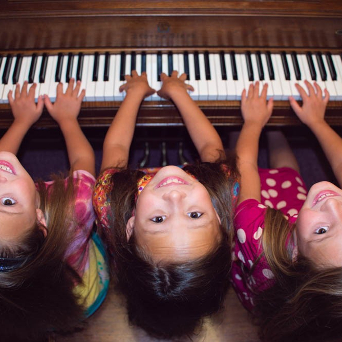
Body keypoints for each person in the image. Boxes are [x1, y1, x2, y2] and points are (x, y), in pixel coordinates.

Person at [93, 70, 239, 339]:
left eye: (158, 220)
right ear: (219, 218)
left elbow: (115, 147)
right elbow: (210, 146)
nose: (174, 197)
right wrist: (178, 92)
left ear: (130, 226)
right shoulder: (222, 189)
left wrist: (135, 93)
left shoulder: (110, 202)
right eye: (195, 215)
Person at [231, 80, 342, 342]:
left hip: (261, 241)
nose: (333, 204)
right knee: (288, 177)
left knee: (241, 151)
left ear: (295, 255)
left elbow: (244, 165)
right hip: (295, 219)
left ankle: (240, 131)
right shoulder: (318, 232)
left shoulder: (252, 232)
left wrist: (252, 124)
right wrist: (317, 121)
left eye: (323, 230)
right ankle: (277, 131)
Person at [0, 79, 109, 341]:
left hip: (26, 307)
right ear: (40, 221)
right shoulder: (77, 207)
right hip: (83, 294)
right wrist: (68, 119)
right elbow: (82, 160)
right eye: (7, 203)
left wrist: (22, 121)